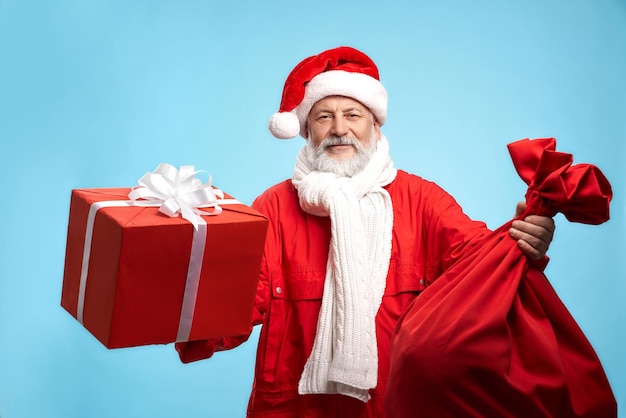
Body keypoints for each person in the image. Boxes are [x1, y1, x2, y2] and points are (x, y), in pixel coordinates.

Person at [175, 46, 555, 417]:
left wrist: (522, 239)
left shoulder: (422, 201)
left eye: (352, 114)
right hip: (294, 407)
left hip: (393, 405)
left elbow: (481, 266)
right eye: (324, 117)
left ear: (375, 124)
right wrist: (178, 288)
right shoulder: (273, 208)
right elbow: (234, 304)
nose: (339, 130)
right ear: (307, 130)